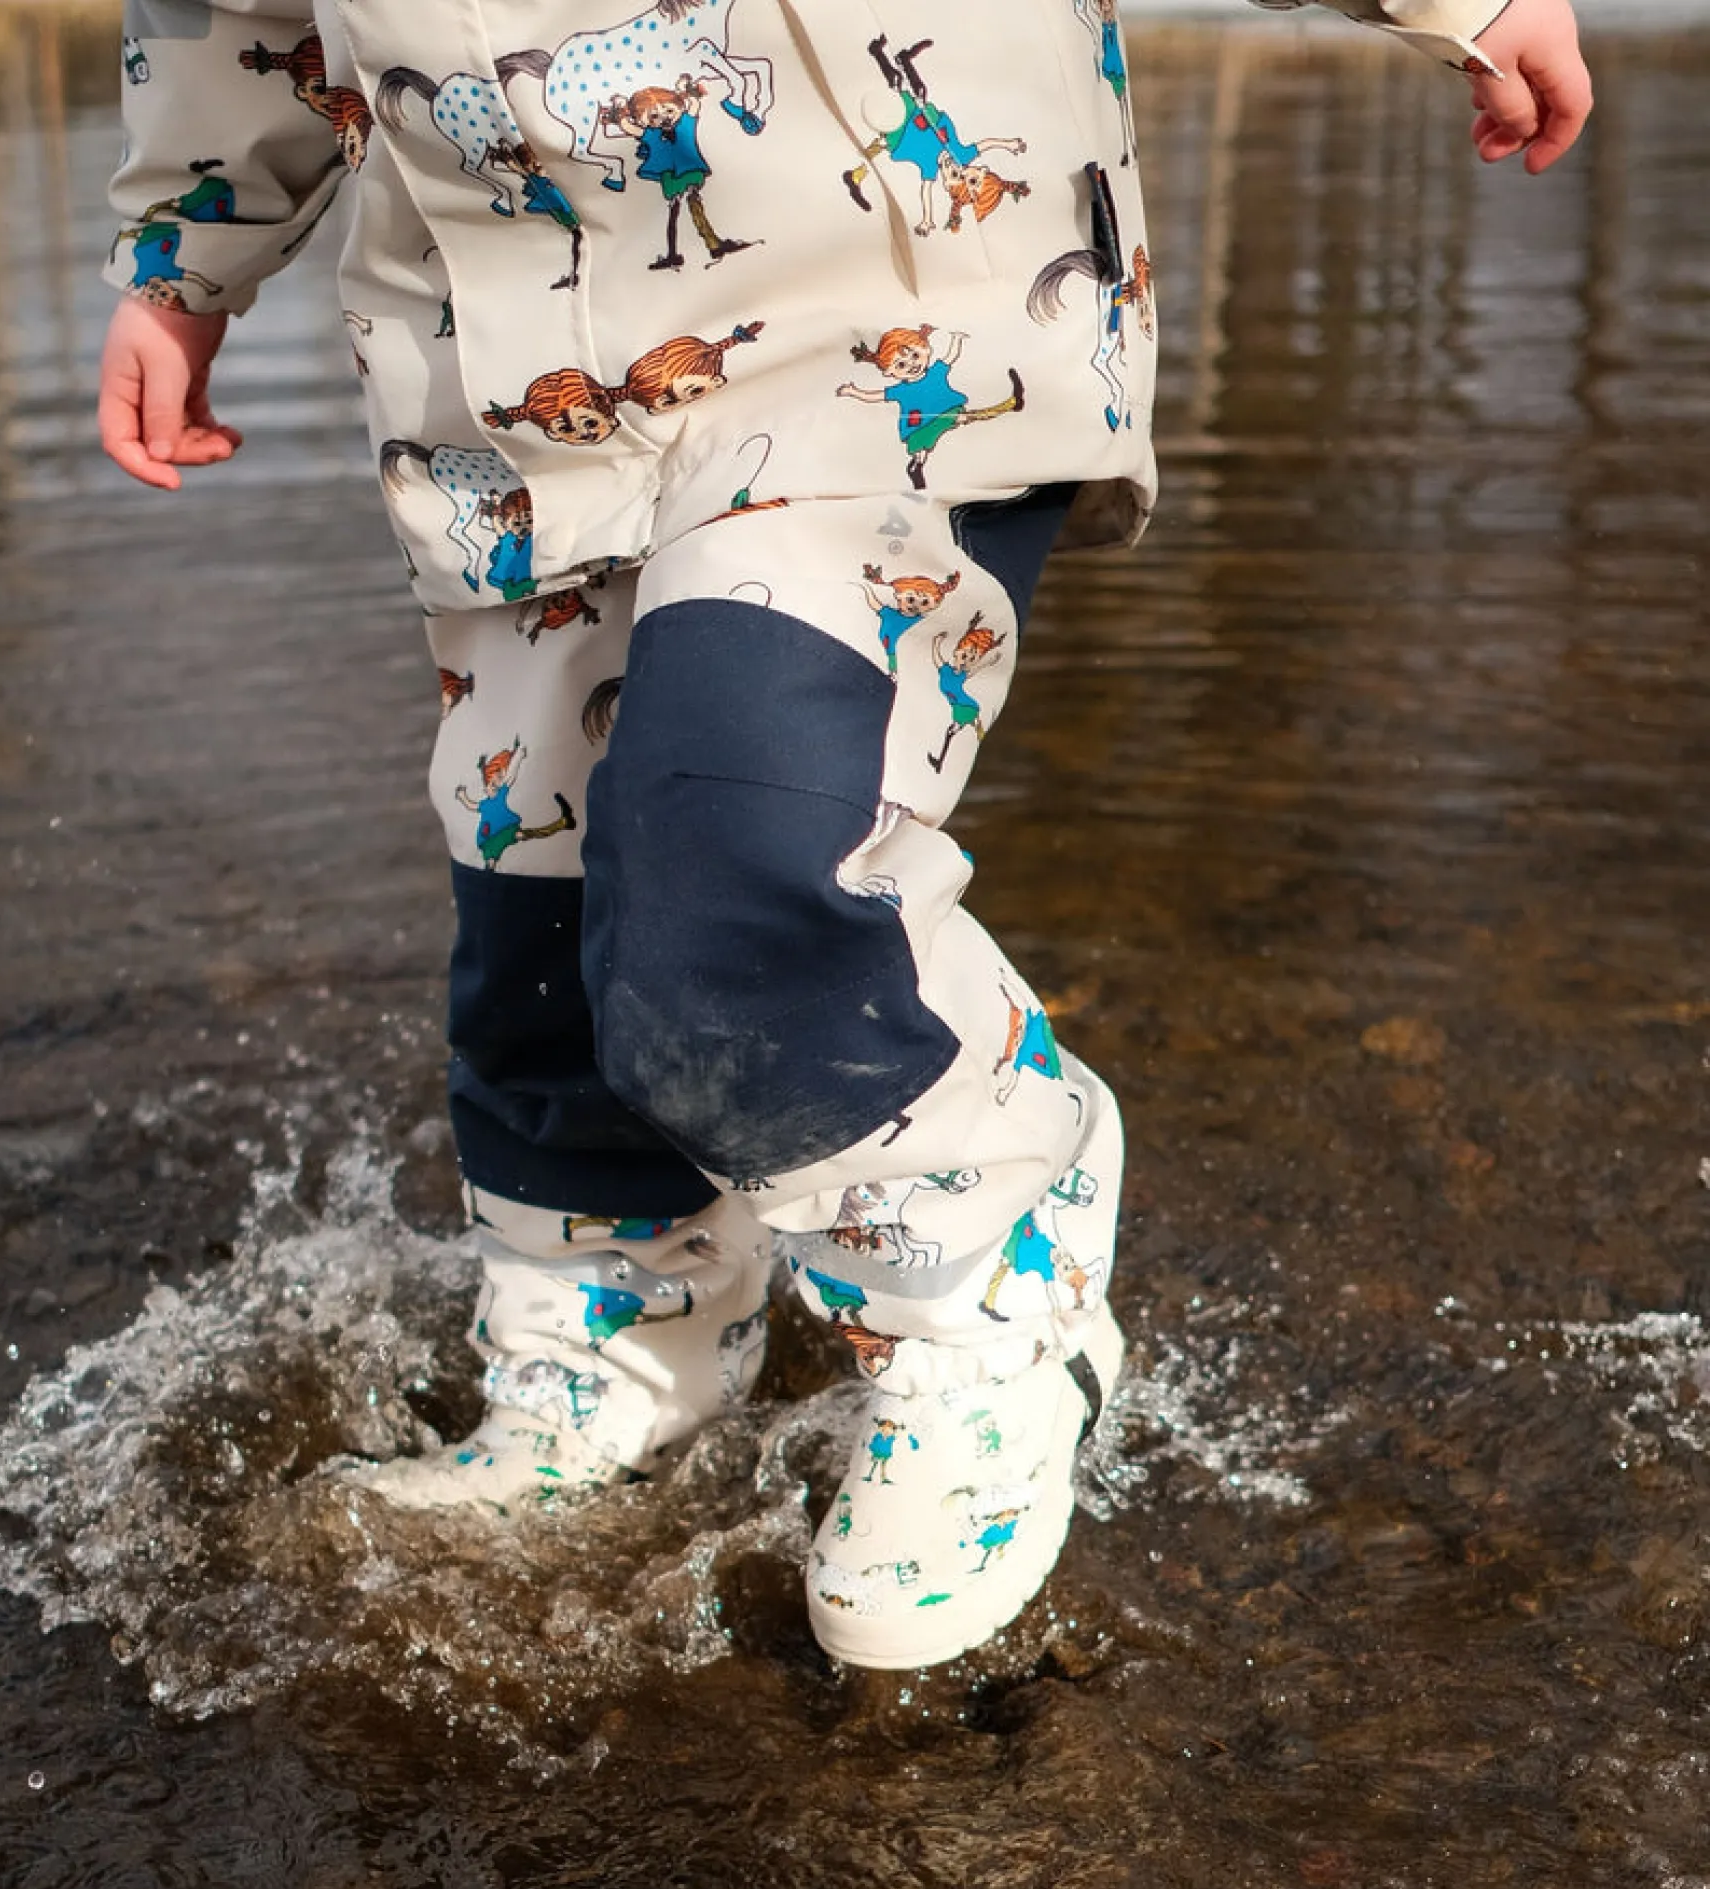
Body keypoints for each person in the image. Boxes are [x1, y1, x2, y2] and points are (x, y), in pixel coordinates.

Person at [97, 0, 1590, 1671]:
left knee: (734, 857)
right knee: (537, 880)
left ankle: (988, 1270)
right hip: (503, 366)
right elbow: (239, 15)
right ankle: (621, 1347)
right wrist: (180, 263)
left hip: (882, 304)